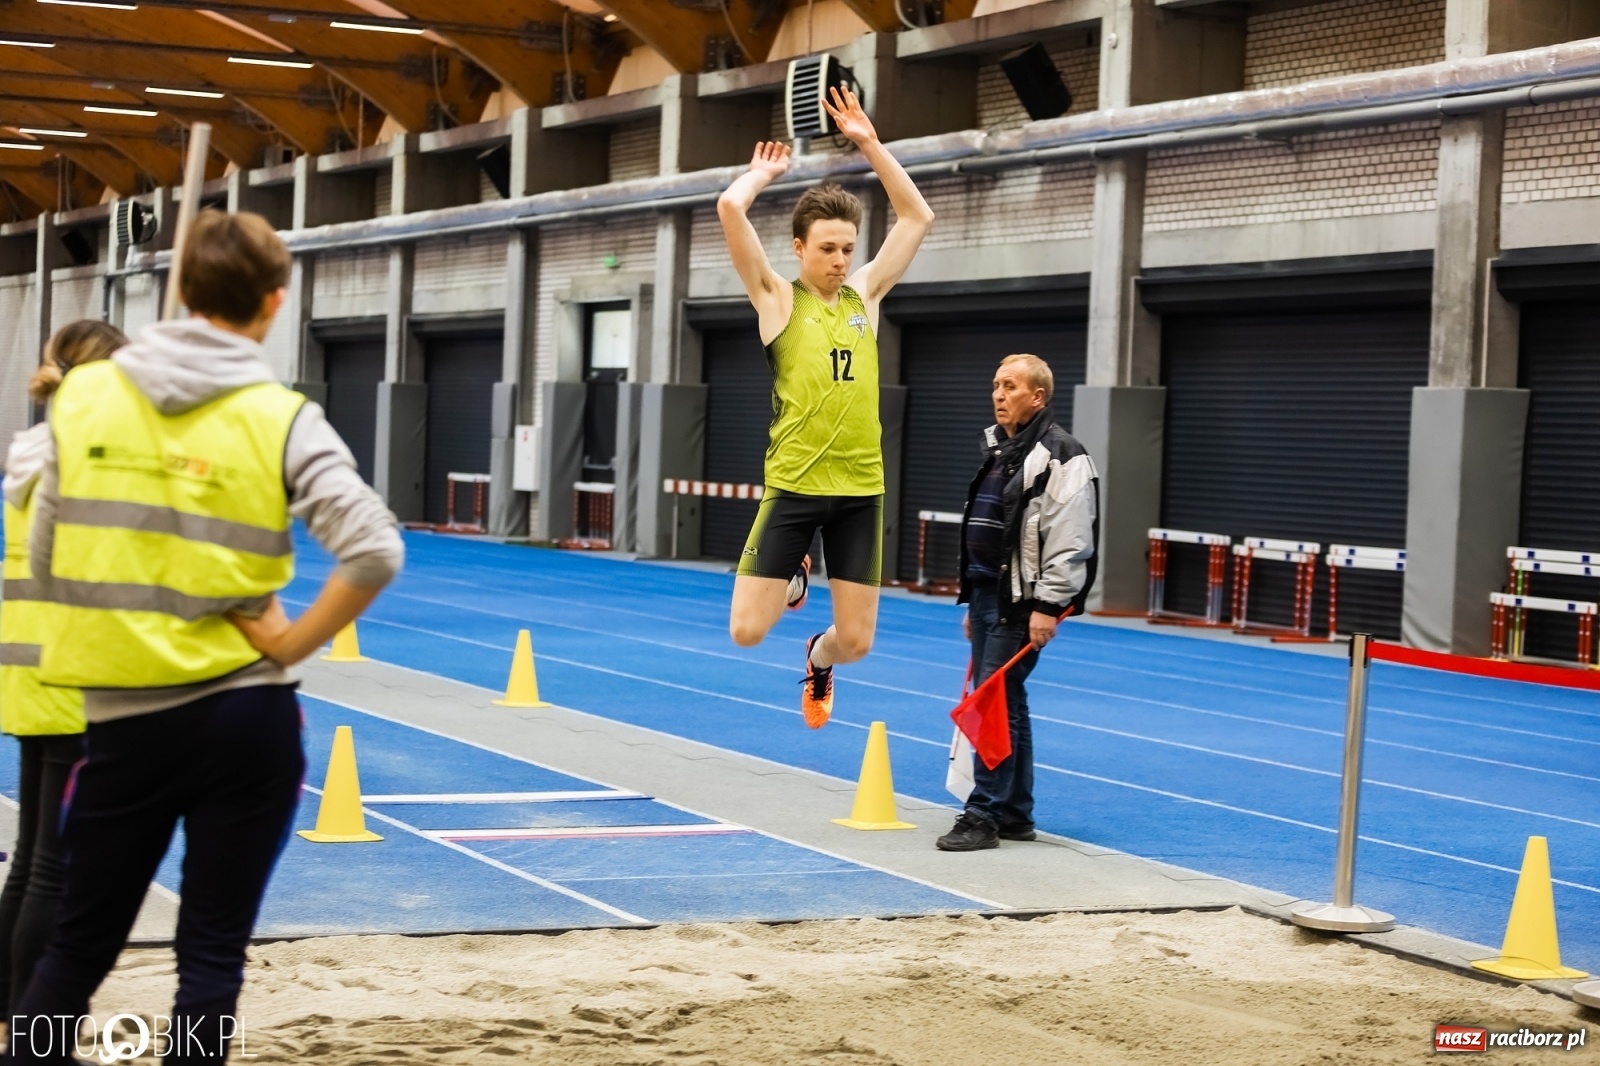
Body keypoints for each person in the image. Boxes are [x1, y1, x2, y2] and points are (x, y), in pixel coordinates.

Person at [9, 209, 405, 1063]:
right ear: (274, 301)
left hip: (122, 721)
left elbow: (40, 538)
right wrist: (289, 644)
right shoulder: (280, 415)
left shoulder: (85, 397)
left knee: (78, 950)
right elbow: (374, 549)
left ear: (179, 291)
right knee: (211, 956)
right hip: (246, 715)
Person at [717, 86, 935, 729]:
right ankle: (790, 576)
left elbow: (916, 217)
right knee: (747, 633)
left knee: (858, 642)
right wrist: (759, 176)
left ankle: (816, 654)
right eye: (827, 249)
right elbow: (730, 207)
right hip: (795, 485)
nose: (840, 261)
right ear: (798, 249)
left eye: (847, 248)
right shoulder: (778, 301)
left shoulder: (866, 294)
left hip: (860, 488)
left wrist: (869, 144)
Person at [0, 321, 127, 1019]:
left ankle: (7, 1004)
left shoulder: (30, 453)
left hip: (26, 665)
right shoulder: (79, 459)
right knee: (57, 864)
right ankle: (37, 1020)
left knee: (30, 857)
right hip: (74, 667)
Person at [937, 354, 1098, 852]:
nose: (998, 394)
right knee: (1008, 702)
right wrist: (974, 596)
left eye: (1010, 386)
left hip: (1021, 603)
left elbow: (1070, 539)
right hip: (989, 594)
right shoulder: (1000, 449)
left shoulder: (1062, 455)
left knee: (991, 703)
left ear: (1038, 396)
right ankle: (1013, 813)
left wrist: (1048, 606)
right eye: (995, 385)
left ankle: (982, 813)